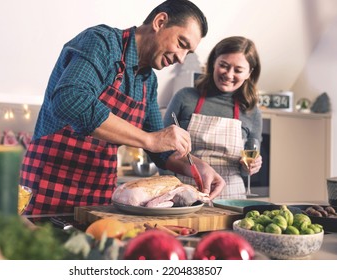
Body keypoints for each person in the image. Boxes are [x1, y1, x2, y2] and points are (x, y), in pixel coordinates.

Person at [20, 0, 225, 215]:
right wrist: (150, 139)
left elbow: (162, 151)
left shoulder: (148, 82)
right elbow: (70, 99)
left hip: (99, 194)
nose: (181, 59)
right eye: (181, 43)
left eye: (188, 52)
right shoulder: (102, 42)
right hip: (49, 183)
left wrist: (197, 168)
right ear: (160, 21)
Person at [163, 36, 263, 199]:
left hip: (231, 198)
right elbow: (162, 150)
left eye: (238, 70)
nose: (229, 74)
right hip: (184, 193)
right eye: (223, 66)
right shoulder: (185, 97)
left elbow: (246, 168)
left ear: (249, 73)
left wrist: (251, 166)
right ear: (213, 63)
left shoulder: (252, 112)